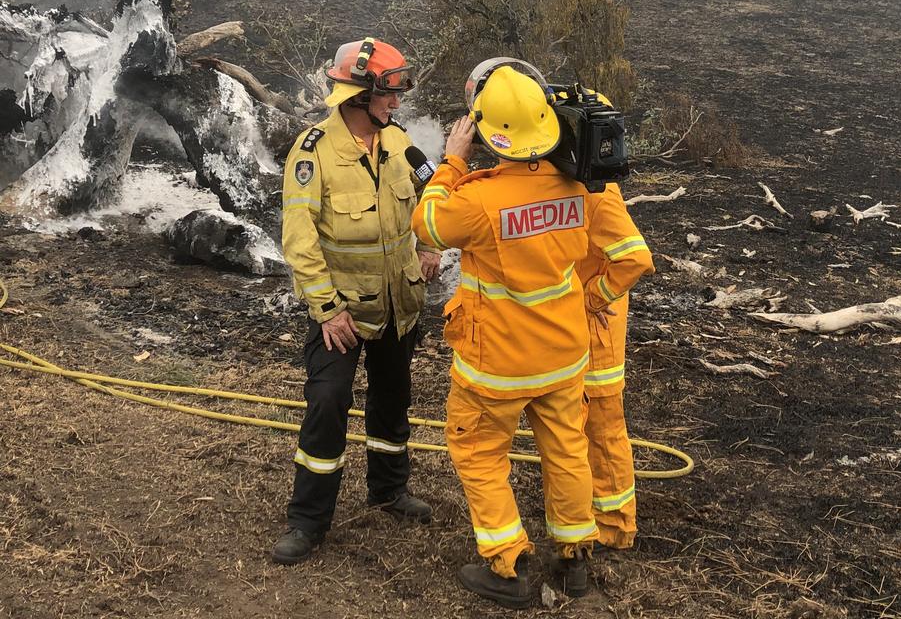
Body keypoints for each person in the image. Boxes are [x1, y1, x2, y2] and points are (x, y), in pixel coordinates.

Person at [411, 59, 652, 608]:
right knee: (567, 453)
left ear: (491, 135)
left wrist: (451, 162)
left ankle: (508, 563)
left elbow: (426, 224)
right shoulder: (583, 190)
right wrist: (592, 300)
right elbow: (629, 259)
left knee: (477, 450)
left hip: (494, 365)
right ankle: (575, 561)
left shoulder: (477, 200)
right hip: (565, 359)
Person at [271, 37, 441, 565]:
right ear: (358, 94)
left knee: (393, 401)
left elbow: (425, 203)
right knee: (327, 406)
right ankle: (308, 520)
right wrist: (328, 310)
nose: (396, 104)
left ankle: (388, 491)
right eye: (388, 94)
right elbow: (299, 241)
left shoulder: (399, 145)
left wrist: (431, 244)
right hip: (340, 314)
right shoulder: (313, 153)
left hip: (399, 307)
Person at [578, 181, 652, 551]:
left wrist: (592, 298)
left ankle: (615, 525)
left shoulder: (597, 192)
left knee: (604, 429)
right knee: (574, 427)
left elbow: (635, 259)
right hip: (571, 329)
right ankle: (586, 510)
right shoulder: (564, 183)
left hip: (596, 332)